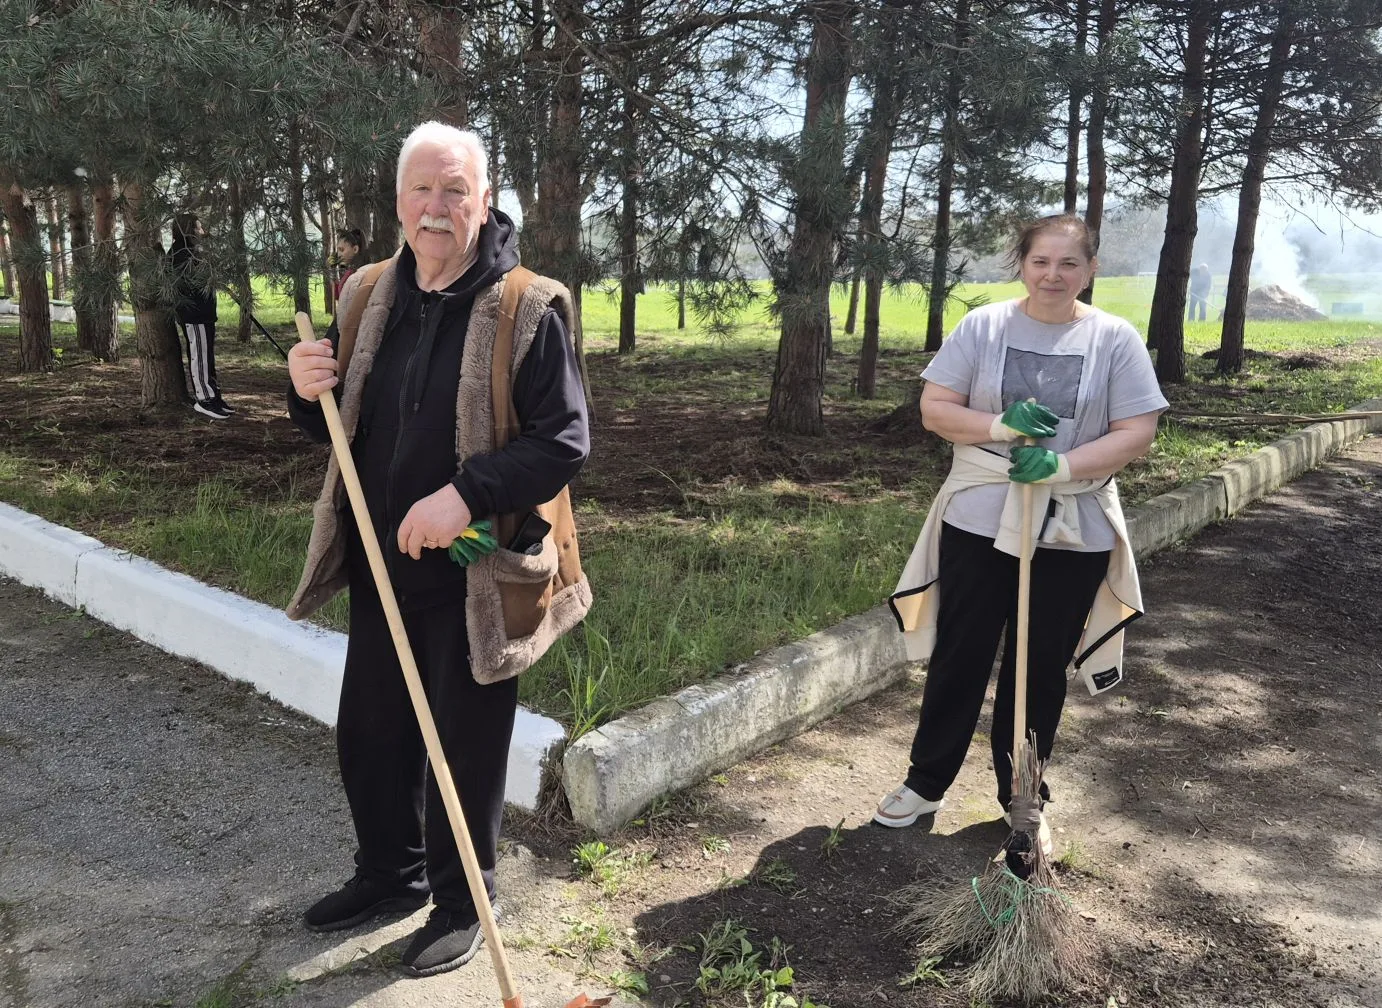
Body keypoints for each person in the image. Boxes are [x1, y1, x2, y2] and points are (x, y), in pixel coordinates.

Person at [284, 122, 591, 978]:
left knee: (465, 741)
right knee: (372, 731)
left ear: (484, 201)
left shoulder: (527, 307)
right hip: (381, 563)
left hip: (475, 570)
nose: (436, 207)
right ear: (398, 202)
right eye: (422, 189)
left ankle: (464, 901)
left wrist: (464, 494)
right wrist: (304, 391)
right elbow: (337, 420)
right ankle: (391, 874)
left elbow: (564, 443)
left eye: (455, 189)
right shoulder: (367, 293)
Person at [876, 213, 1167, 851]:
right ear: (1023, 265)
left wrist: (1061, 466)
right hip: (979, 520)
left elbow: (1136, 432)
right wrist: (1000, 427)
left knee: (1038, 667)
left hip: (1071, 528)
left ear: (1090, 270)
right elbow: (935, 409)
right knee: (961, 651)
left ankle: (1024, 795)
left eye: (1069, 263)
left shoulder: (1114, 339)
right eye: (1041, 261)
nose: (1052, 275)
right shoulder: (984, 327)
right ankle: (926, 782)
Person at [169, 214, 232, 419]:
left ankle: (214, 395)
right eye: (198, 228)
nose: (202, 231)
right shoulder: (181, 254)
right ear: (189, 230)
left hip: (204, 315)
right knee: (200, 357)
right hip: (194, 316)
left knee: (207, 357)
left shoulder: (194, 252)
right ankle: (204, 399)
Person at [331, 227, 365, 302]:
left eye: (342, 250)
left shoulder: (360, 273)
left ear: (355, 249)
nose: (339, 255)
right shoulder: (349, 272)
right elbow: (339, 296)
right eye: (338, 251)